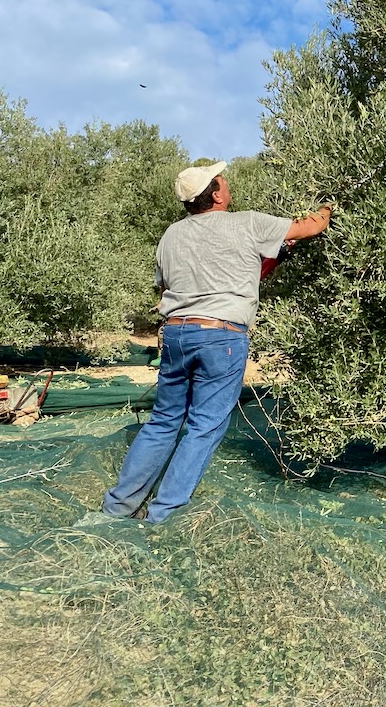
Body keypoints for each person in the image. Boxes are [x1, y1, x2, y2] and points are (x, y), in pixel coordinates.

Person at [100, 162, 331, 522]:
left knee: (163, 421)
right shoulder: (247, 222)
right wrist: (331, 204)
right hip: (221, 336)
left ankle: (118, 508)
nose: (227, 183)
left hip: (176, 332)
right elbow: (312, 226)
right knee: (204, 425)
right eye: (223, 180)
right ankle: (163, 515)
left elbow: (167, 290)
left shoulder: (170, 236)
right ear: (217, 193)